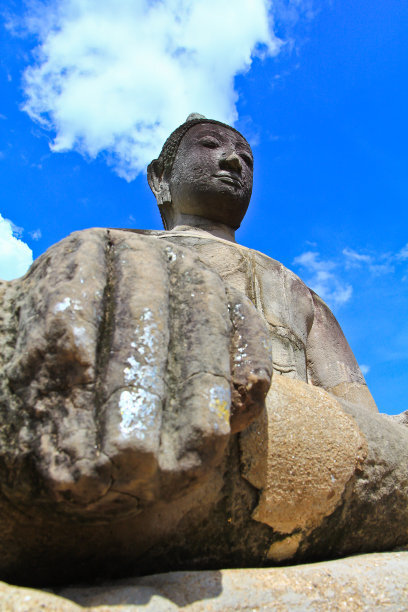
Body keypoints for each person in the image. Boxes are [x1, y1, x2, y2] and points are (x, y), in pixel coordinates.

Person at [144, 113, 378, 413]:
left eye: (246, 159)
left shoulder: (295, 290)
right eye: (210, 145)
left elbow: (362, 417)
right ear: (160, 178)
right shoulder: (121, 249)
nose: (232, 160)